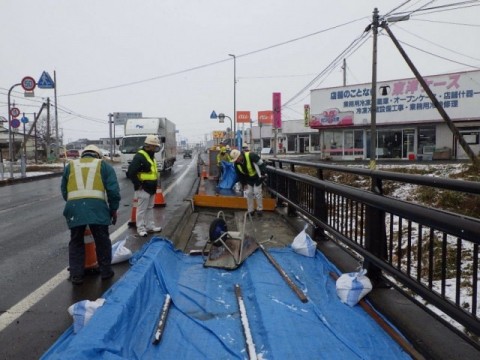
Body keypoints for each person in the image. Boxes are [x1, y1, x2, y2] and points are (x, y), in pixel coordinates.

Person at [61, 145, 120, 285]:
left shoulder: (71, 165)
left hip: (74, 207)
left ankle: (76, 275)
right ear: (98, 155)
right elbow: (113, 191)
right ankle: (106, 272)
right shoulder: (104, 166)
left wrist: (74, 203)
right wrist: (113, 209)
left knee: (76, 241)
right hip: (97, 208)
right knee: (102, 241)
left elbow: (64, 189)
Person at [127, 135, 163, 237]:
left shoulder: (151, 155)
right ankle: (141, 228)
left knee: (150, 208)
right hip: (143, 187)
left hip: (151, 187)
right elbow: (131, 172)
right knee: (142, 209)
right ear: (149, 145)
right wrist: (138, 185)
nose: (156, 148)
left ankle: (150, 227)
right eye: (154, 146)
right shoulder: (140, 156)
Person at [230, 149, 267, 216]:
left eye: (237, 159)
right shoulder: (236, 164)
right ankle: (250, 210)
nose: (236, 161)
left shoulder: (251, 156)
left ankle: (259, 209)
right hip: (249, 178)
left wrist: (263, 173)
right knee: (249, 193)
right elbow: (240, 175)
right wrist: (244, 184)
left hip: (258, 176)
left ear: (240, 156)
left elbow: (261, 164)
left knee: (257, 192)